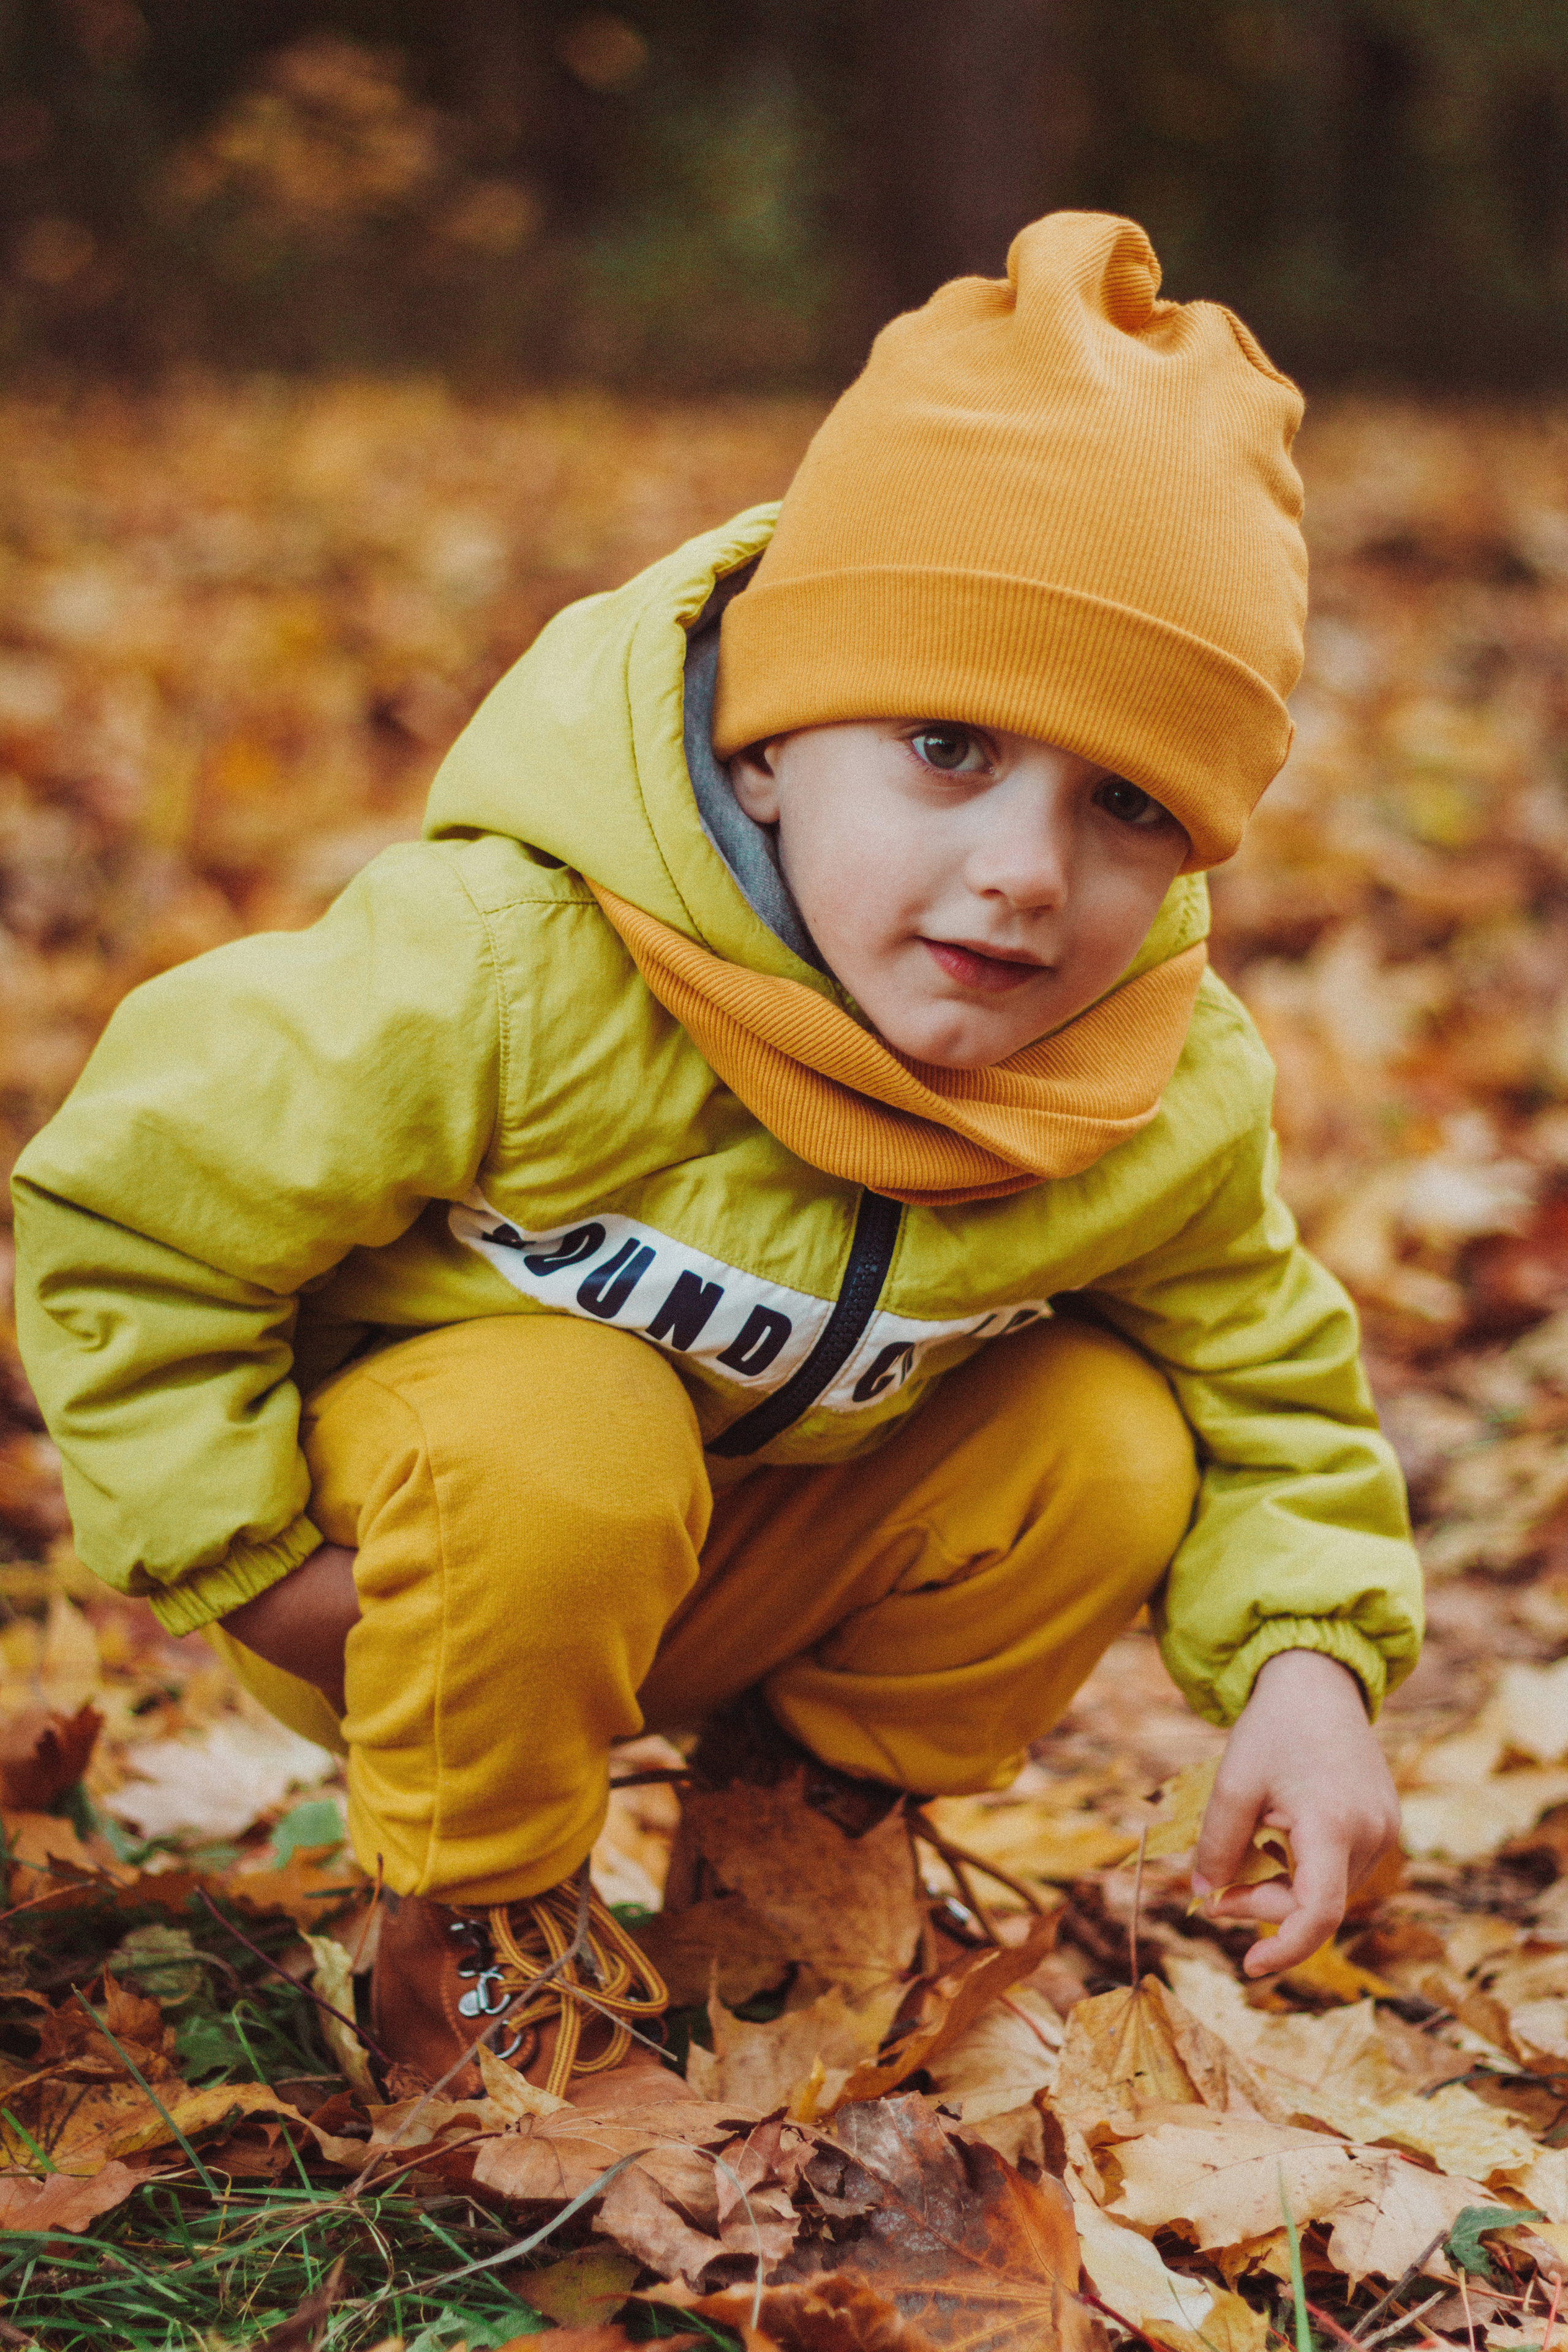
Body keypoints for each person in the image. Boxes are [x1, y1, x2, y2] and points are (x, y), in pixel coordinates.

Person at [12, 212, 1419, 2100]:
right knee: (563, 1421)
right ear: (765, 745)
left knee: (1110, 1432)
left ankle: (791, 1838)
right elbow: (130, 1205)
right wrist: (249, 1558)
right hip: (411, 1573)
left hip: (751, 1566)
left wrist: (1310, 1672)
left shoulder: (1149, 1085)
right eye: (945, 746)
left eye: (1125, 804)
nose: (1021, 867)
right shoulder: (511, 968)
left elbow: (1269, 1385)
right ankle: (479, 1917)